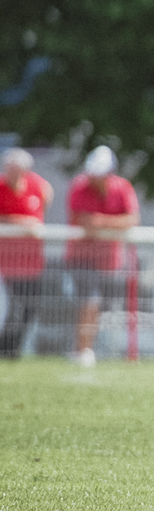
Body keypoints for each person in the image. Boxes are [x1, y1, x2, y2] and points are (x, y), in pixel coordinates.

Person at [65, 145, 140, 367]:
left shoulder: (122, 187)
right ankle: (83, 350)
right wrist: (112, 224)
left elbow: (132, 219)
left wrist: (101, 222)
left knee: (97, 306)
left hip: (109, 261)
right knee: (90, 301)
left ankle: (82, 348)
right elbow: (83, 222)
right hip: (81, 258)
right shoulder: (79, 186)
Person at [0, 147, 54, 357]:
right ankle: (5, 349)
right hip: (5, 262)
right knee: (9, 307)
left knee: (29, 307)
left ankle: (12, 349)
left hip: (31, 262)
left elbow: (43, 209)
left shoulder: (39, 186)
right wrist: (23, 223)